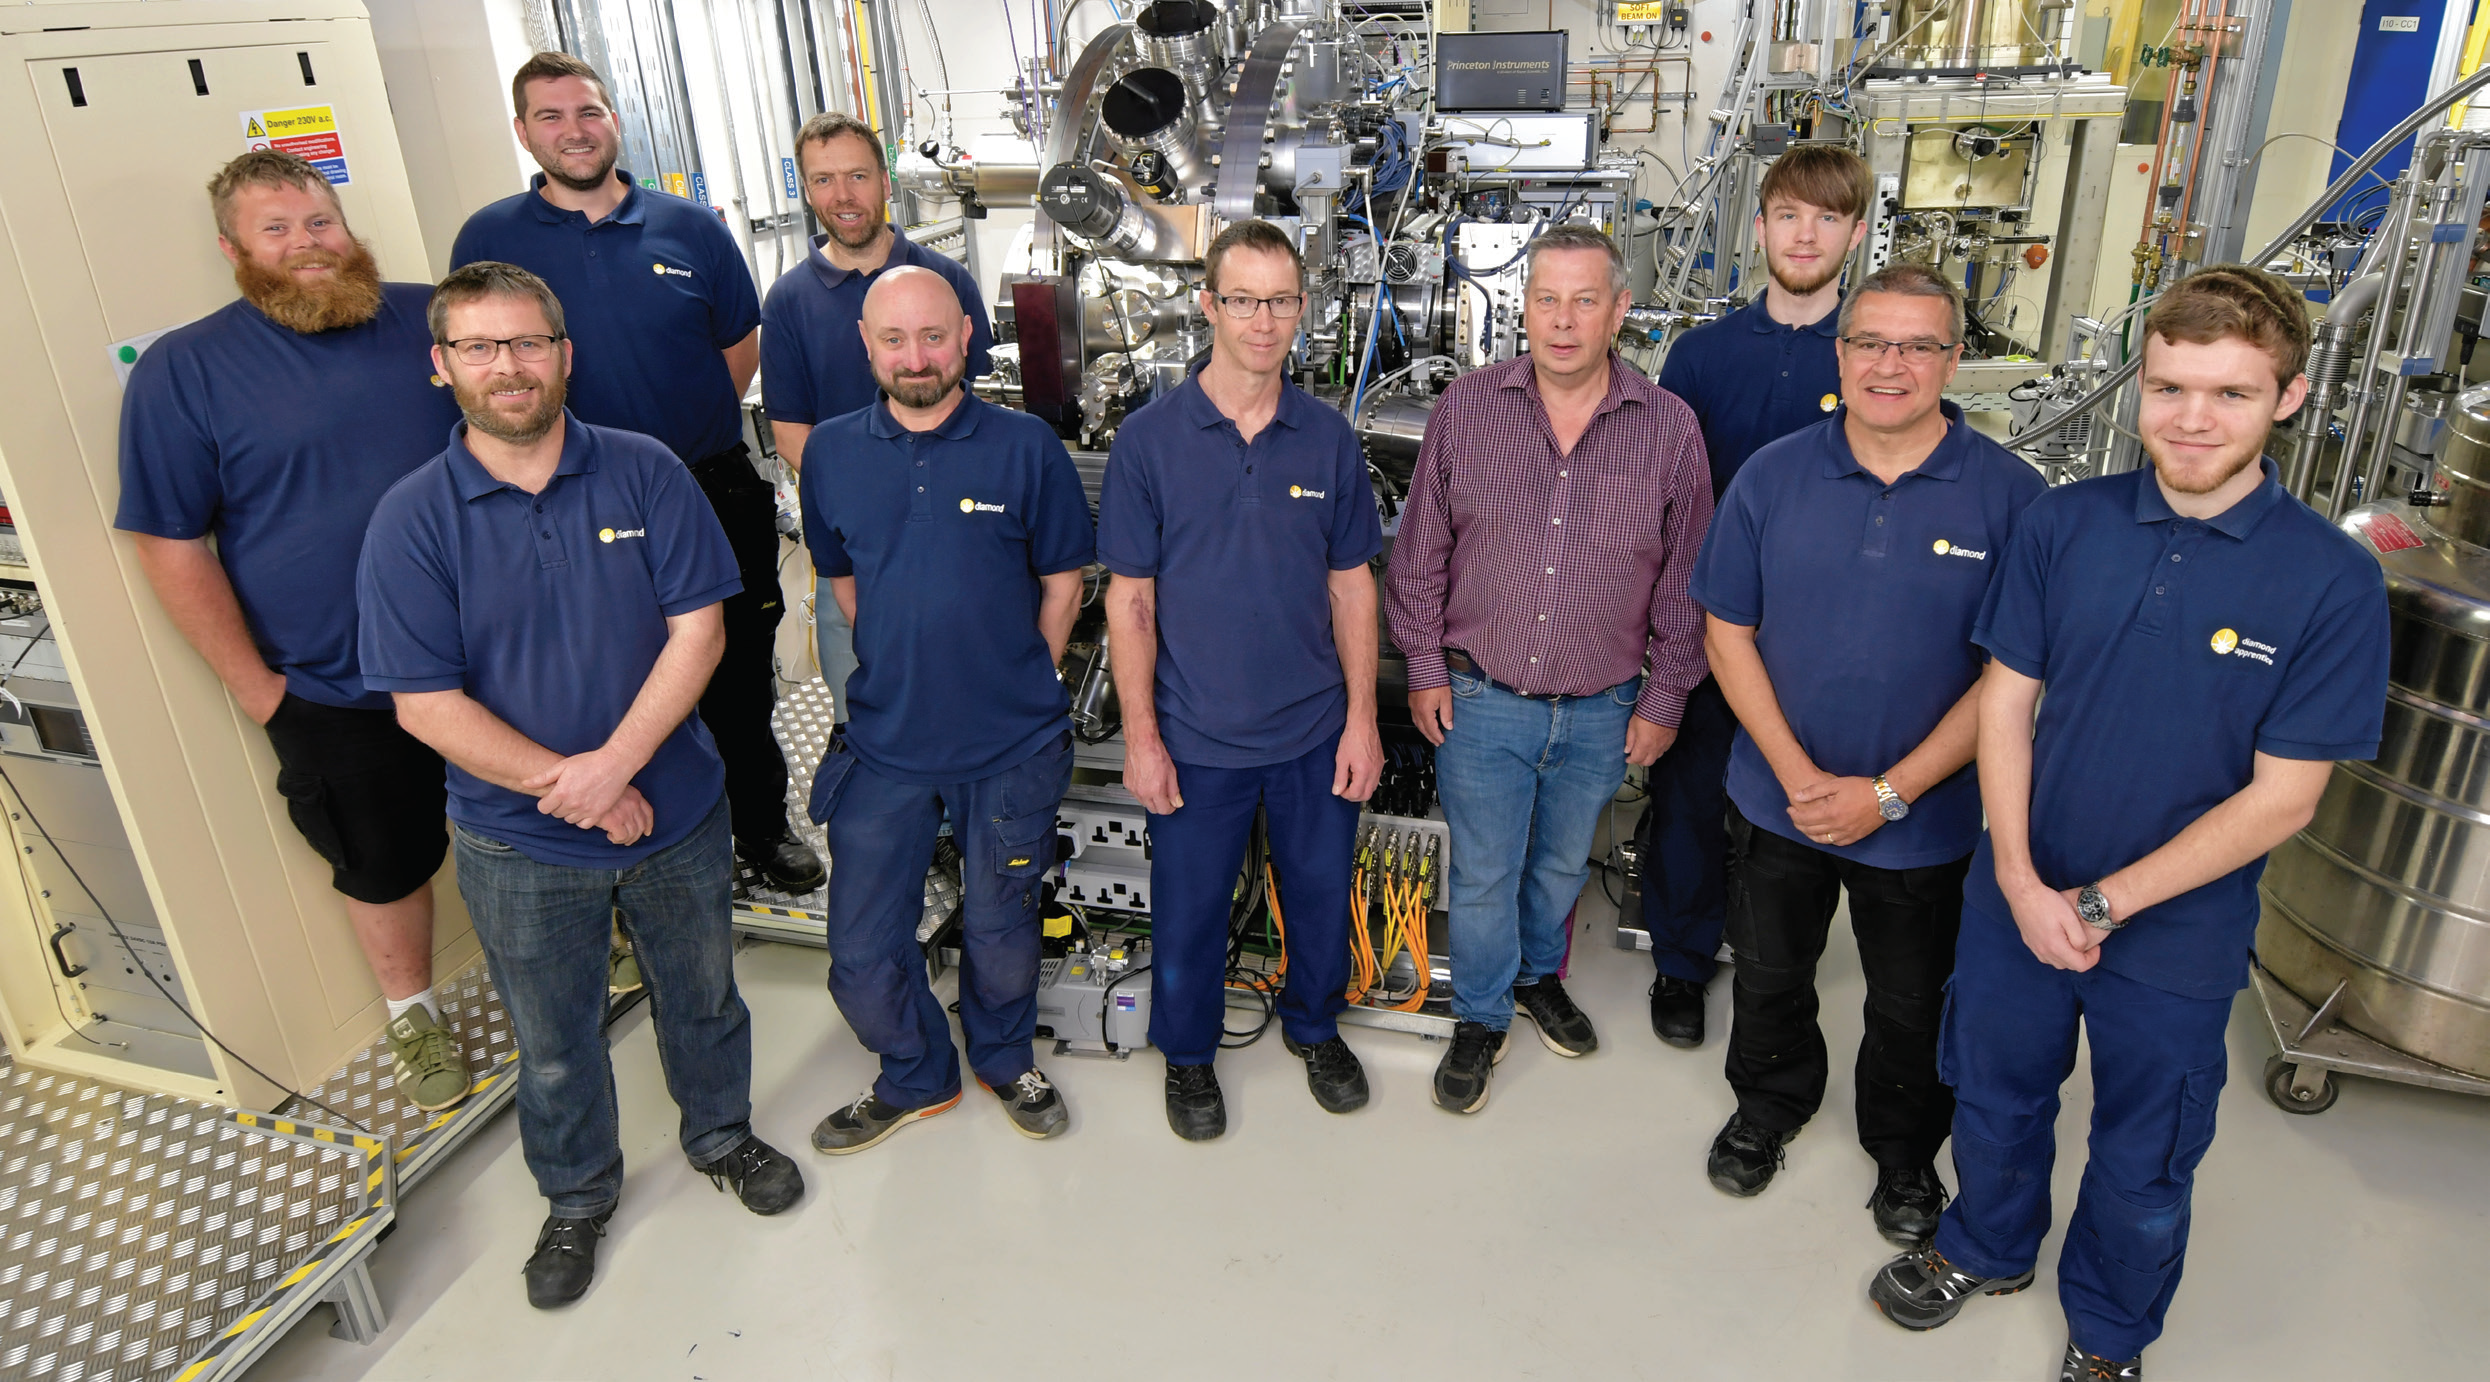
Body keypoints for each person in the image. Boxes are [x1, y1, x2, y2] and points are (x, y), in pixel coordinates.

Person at [1866, 266, 2389, 1382]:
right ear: (2138, 386)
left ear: (2287, 399)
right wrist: (2017, 875)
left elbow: (2285, 796)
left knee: (2146, 1151)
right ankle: (1987, 1243)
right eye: (2169, 387)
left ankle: (2108, 1330)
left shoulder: (2334, 581)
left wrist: (2101, 903)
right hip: (2020, 893)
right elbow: (2007, 700)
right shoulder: (2066, 524)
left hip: (2175, 936)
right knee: (1997, 1094)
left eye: (2230, 393)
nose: (2191, 418)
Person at [357, 262, 803, 1308]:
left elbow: (702, 630)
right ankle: (577, 1194)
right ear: (442, 366)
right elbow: (424, 702)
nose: (507, 366)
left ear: (565, 355)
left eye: (528, 343)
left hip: (677, 812)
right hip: (519, 842)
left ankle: (723, 1135)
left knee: (703, 999)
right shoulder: (412, 519)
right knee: (554, 1042)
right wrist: (584, 788)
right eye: (480, 346)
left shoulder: (646, 471)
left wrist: (617, 767)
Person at [1690, 264, 2044, 1246]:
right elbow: (1727, 629)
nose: (1892, 364)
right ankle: (1767, 1105)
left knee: (1909, 1000)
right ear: (1840, 355)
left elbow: (2013, 676)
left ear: (1954, 360)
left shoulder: (2013, 498)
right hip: (1777, 802)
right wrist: (1801, 778)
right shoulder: (1773, 473)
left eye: (1919, 345)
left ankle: (1901, 1152)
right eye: (1871, 343)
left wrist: (1889, 792)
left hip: (1924, 821)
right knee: (1767, 971)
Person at [115, 150, 469, 1113]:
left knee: (541, 812)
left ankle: (591, 943)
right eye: (277, 229)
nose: (307, 244)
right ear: (234, 249)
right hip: (336, 683)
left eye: (319, 221)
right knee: (381, 860)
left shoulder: (434, 318)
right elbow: (169, 542)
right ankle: (416, 1021)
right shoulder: (183, 371)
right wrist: (260, 690)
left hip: (496, 650)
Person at [450, 50, 822, 896]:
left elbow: (736, 348)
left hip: (705, 486)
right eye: (549, 117)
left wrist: (663, 450)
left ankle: (761, 830)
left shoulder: (691, 229)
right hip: (565, 498)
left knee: (734, 670)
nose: (573, 131)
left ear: (615, 120)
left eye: (587, 112)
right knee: (606, 674)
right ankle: (638, 842)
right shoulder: (490, 237)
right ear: (523, 132)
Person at [1383, 223, 1713, 1114]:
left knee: (1564, 864)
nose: (1562, 321)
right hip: (1482, 696)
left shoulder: (1671, 429)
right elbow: (1420, 556)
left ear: (1620, 311)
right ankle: (1483, 1017)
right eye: (1545, 299)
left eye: (1584, 300)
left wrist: (1666, 697)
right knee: (1484, 870)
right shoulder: (1468, 408)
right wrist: (1422, 667)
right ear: (1522, 306)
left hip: (1607, 705)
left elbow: (1687, 583)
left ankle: (1537, 977)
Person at [1099, 220, 1386, 1141]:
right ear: (1208, 304)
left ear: (1303, 310)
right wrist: (1142, 738)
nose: (1262, 322)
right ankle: (1188, 1058)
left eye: (1280, 301)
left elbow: (1352, 586)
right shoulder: (1149, 442)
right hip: (1195, 734)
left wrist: (1363, 720)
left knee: (1317, 895)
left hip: (1311, 732)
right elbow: (1130, 604)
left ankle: (1314, 1026)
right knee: (1186, 914)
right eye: (1242, 299)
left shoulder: (1328, 439)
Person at [800, 267, 1093, 1153]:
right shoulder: (832, 453)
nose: (915, 357)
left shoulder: (1026, 446)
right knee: (858, 947)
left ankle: (1003, 1059)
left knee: (1003, 925)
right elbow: (840, 574)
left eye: (933, 336)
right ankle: (916, 1072)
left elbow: (1063, 578)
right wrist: (903, 654)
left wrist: (1019, 671)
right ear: (867, 345)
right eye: (894, 340)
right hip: (886, 738)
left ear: (967, 335)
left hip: (1011, 739)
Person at [1640, 144, 1875, 1048]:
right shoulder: (1701, 358)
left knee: (1797, 805)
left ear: (1855, 232)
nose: (1805, 234)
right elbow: (1661, 502)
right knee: (1692, 798)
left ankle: (1778, 968)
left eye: (1826, 217)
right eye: (1788, 215)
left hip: (1820, 639)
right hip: (1706, 628)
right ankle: (1681, 963)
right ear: (1761, 226)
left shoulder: (1871, 359)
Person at [759, 111, 993, 720]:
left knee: (969, 685)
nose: (842, 196)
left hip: (957, 530)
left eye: (858, 175)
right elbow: (789, 431)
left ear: (885, 181)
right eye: (823, 180)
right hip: (853, 542)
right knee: (862, 701)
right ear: (806, 189)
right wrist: (869, 499)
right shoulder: (788, 301)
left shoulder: (946, 279)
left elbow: (982, 404)